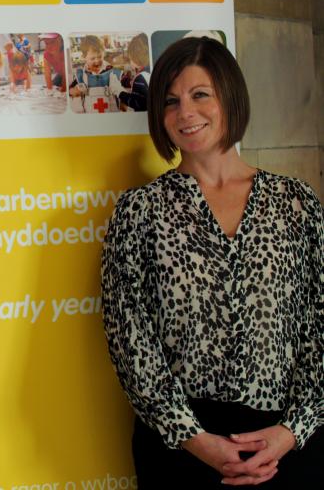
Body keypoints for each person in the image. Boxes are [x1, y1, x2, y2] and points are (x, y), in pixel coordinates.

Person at [101, 37, 323, 488]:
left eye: (200, 94)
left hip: (286, 445)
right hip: (182, 449)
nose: (186, 113)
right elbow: (130, 341)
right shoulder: (139, 211)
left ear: (230, 97)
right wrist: (196, 440)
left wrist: (292, 431)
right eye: (170, 101)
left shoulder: (295, 203)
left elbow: (318, 324)